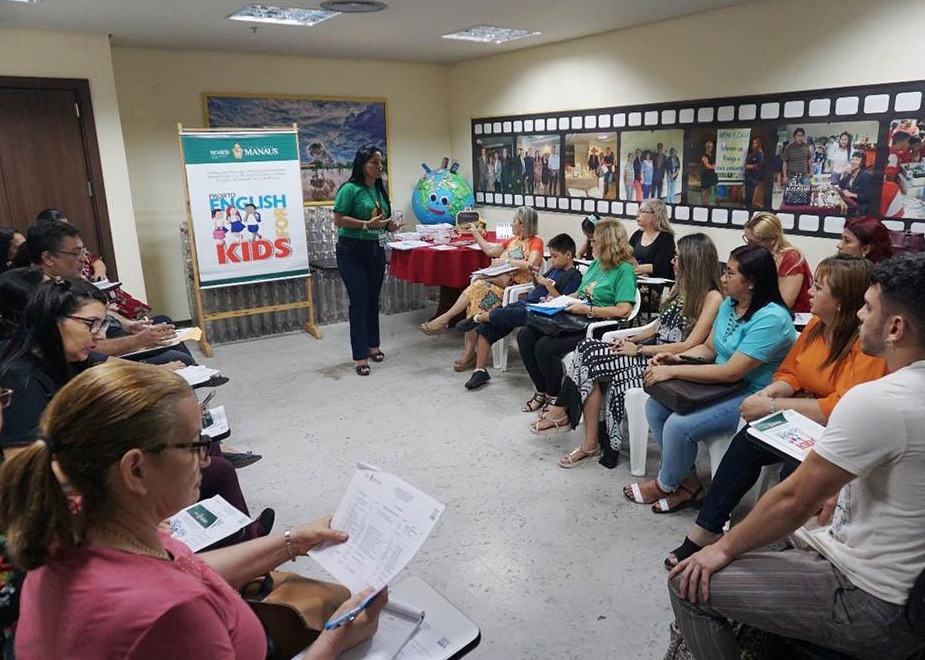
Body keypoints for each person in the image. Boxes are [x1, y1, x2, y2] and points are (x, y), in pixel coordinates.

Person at [1, 361, 386, 659]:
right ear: (135, 469)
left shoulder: (73, 519)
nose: (205, 460)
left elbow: (184, 567)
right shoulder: (169, 614)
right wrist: (336, 639)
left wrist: (290, 541)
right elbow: (170, 592)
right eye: (194, 445)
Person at [667, 253, 925, 660]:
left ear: (895, 328)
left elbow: (792, 499)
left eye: (869, 307)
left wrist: (721, 549)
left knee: (687, 583)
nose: (860, 313)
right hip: (903, 587)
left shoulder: (880, 401)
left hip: (872, 599)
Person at [664, 255, 888, 568]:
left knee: (796, 471)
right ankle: (706, 529)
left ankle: (792, 554)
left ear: (840, 302)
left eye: (819, 288)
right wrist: (772, 391)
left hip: (836, 428)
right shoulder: (815, 326)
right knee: (746, 442)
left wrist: (772, 404)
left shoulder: (864, 345)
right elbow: (791, 373)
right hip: (801, 414)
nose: (809, 292)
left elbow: (839, 407)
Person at [623, 245, 797, 513]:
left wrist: (673, 371)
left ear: (751, 282)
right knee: (655, 407)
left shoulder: (772, 318)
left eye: (729, 273)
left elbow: (732, 371)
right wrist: (675, 358)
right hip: (720, 386)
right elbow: (708, 349)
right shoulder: (731, 304)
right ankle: (689, 484)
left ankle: (665, 484)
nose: (723, 279)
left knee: (679, 426)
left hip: (752, 394)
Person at [544, 234, 723, 468]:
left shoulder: (713, 297)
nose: (672, 261)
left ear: (694, 260)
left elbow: (690, 345)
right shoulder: (682, 288)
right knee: (585, 348)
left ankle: (567, 417)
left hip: (666, 361)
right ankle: (586, 436)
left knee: (586, 357)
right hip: (648, 349)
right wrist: (630, 338)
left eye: (678, 258)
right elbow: (657, 327)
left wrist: (638, 349)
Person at [518, 219, 637, 421]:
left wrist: (588, 310)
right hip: (576, 316)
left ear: (608, 243)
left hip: (598, 325)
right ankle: (542, 390)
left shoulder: (624, 270)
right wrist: (560, 300)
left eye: (595, 240)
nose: (591, 244)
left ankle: (556, 398)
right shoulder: (597, 265)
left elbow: (624, 310)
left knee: (545, 347)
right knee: (525, 335)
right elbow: (581, 292)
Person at [420, 206, 544, 372]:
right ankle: (454, 330)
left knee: (477, 289)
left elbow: (532, 265)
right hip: (498, 283)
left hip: (515, 290)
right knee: (477, 288)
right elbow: (490, 251)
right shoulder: (512, 240)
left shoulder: (535, 242)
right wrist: (475, 233)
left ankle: (452, 328)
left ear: (523, 225)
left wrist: (507, 262)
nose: (511, 224)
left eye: (514, 221)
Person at [463, 233, 581, 390]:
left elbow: (564, 301)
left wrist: (547, 284)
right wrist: (535, 277)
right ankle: (480, 370)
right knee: (493, 323)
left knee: (503, 315)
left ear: (568, 255)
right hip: (527, 302)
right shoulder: (554, 269)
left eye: (554, 256)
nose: (552, 260)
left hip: (540, 311)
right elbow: (537, 287)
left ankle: (476, 317)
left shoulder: (574, 275)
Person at [333, 145, 400, 377]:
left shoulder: (379, 189)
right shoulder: (349, 189)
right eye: (374, 162)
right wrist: (364, 225)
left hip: (375, 249)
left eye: (381, 162)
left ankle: (374, 345)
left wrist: (389, 225)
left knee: (373, 300)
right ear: (363, 165)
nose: (379, 167)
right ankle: (360, 355)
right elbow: (338, 219)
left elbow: (381, 220)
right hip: (351, 250)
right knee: (359, 301)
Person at [743, 212, 812, 313]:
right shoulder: (762, 257)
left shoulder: (791, 258)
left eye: (753, 243)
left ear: (772, 240)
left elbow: (785, 302)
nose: (748, 247)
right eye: (747, 241)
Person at [837, 150, 874, 215]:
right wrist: (843, 174)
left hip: (859, 208)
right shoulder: (850, 173)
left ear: (862, 162)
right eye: (852, 159)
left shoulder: (866, 175)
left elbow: (868, 196)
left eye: (857, 160)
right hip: (849, 204)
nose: (853, 162)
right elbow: (841, 187)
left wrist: (852, 194)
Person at [743, 137, 764, 213]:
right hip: (748, 176)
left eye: (756, 143)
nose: (754, 145)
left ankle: (750, 212)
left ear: (759, 144)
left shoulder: (760, 154)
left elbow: (759, 166)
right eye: (753, 143)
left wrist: (749, 166)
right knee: (747, 195)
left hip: (754, 177)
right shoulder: (752, 154)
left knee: (751, 196)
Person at [700, 141, 718, 206]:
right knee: (705, 190)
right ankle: (704, 204)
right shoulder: (704, 156)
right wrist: (713, 167)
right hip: (705, 175)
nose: (710, 148)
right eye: (709, 147)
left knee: (709, 190)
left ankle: (707, 203)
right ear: (706, 147)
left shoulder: (712, 155)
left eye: (711, 147)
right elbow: (707, 165)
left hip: (710, 175)